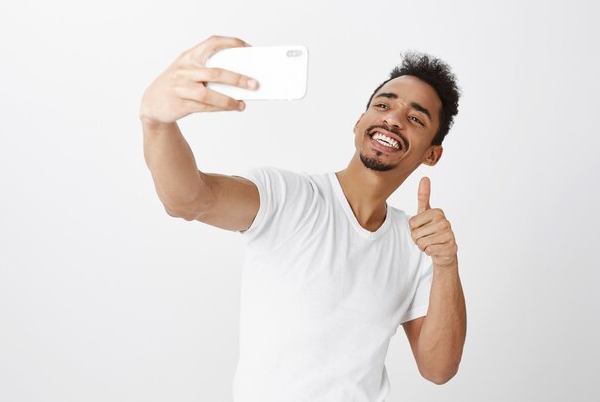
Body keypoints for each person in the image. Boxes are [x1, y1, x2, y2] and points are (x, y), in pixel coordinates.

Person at [140, 35, 467, 401]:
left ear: (432, 154)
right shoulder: (290, 197)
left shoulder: (418, 244)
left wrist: (445, 263)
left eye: (414, 118)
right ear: (360, 122)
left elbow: (438, 368)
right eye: (382, 106)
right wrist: (156, 123)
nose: (392, 120)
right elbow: (190, 200)